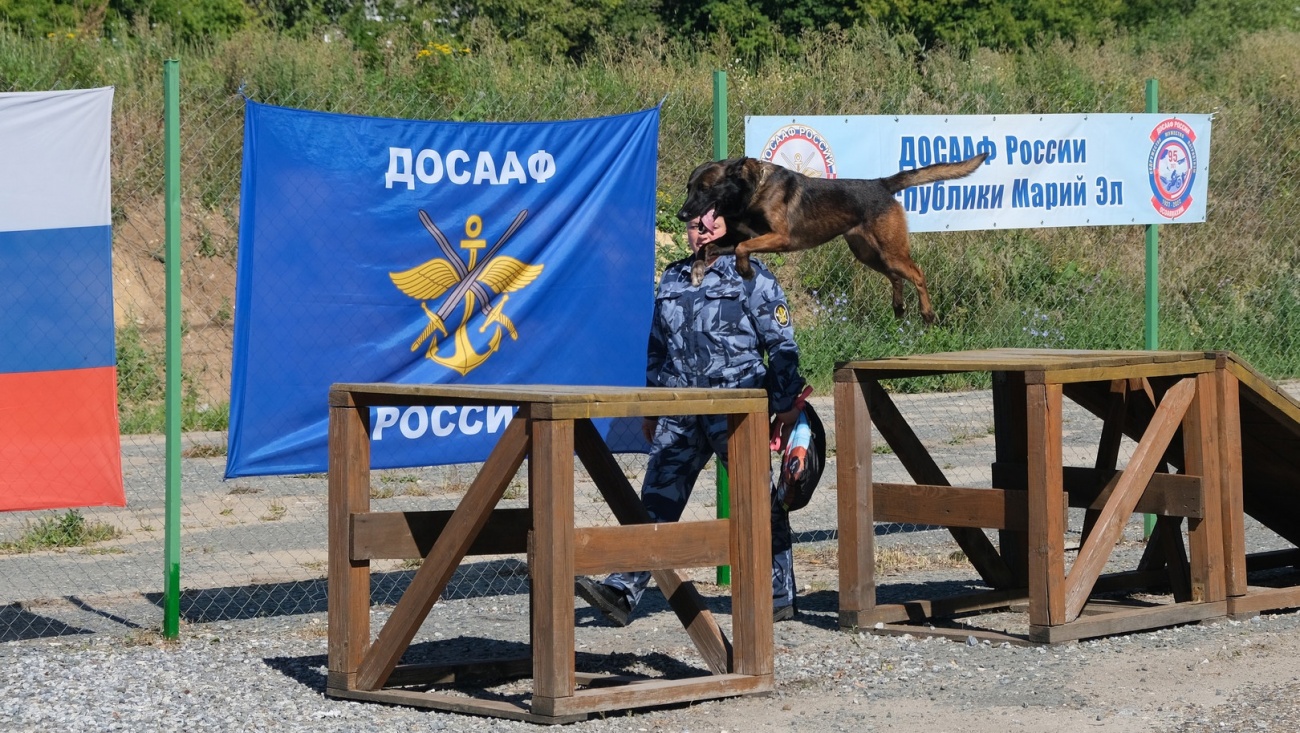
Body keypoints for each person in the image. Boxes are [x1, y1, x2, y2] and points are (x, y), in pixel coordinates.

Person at [575, 210, 805, 625]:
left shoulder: (753, 276)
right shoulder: (673, 277)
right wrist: (653, 406)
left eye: (711, 224)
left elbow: (781, 344)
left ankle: (778, 593)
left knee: (760, 502)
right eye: (694, 225)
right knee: (656, 501)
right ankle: (623, 590)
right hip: (681, 411)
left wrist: (786, 405)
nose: (700, 233)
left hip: (736, 411)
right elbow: (657, 346)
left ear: (730, 227)